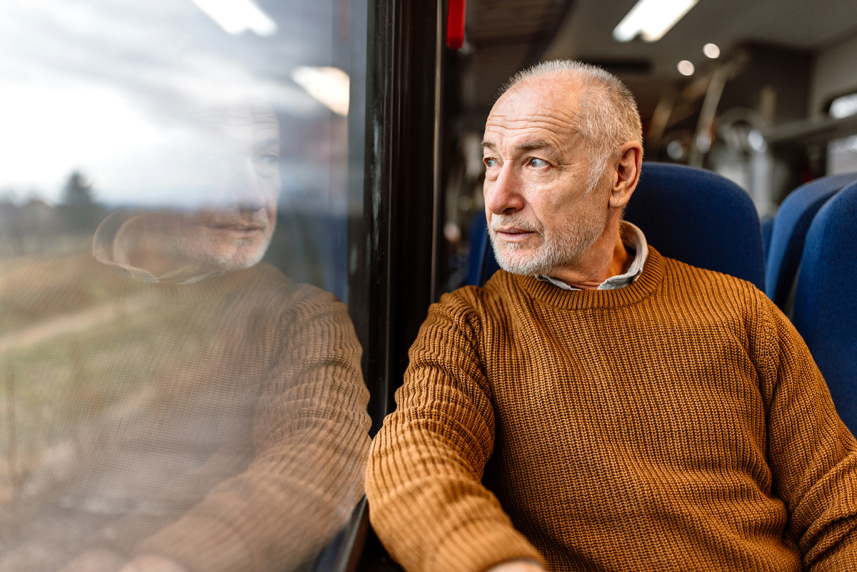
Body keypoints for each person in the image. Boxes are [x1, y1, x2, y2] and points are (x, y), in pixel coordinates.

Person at [365, 60, 857, 572]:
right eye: (492, 162)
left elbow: (840, 505)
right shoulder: (471, 325)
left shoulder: (743, 312)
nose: (498, 199)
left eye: (536, 163)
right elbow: (416, 458)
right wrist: (494, 563)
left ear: (620, 175)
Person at [0, 104, 371, 572]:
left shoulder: (299, 319)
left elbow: (319, 458)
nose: (254, 198)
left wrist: (167, 562)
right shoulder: (37, 298)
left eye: (268, 161)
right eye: (216, 161)